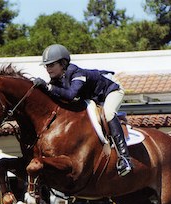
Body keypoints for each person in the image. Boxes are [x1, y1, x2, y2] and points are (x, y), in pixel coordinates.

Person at [33, 44, 133, 177]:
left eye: (51, 65)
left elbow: (70, 95)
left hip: (111, 90)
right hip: (93, 97)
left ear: (63, 63)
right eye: (46, 66)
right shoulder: (56, 80)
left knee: (108, 113)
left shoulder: (76, 72)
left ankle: (124, 158)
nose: (48, 68)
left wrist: (47, 87)